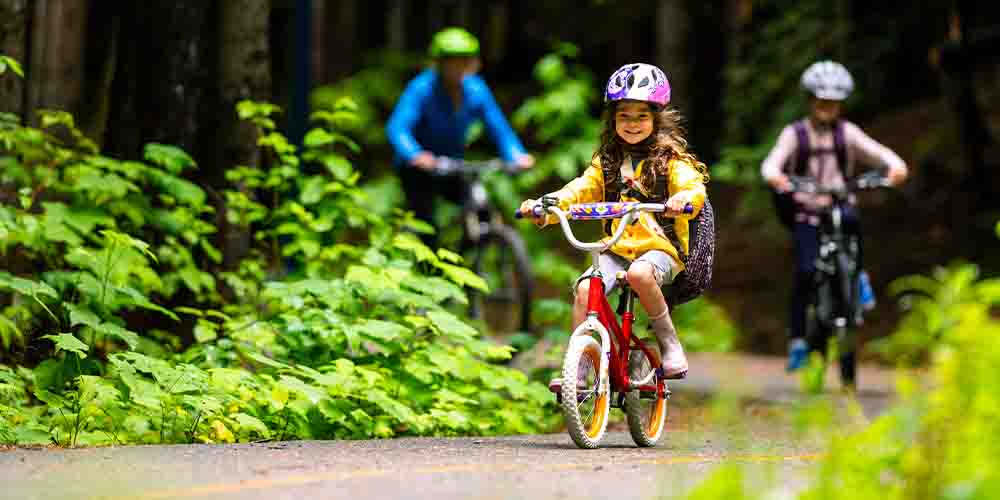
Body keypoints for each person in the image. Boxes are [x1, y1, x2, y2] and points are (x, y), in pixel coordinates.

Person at [519, 63, 708, 382]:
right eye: (624, 115)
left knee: (639, 273)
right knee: (585, 288)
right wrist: (545, 206)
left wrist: (684, 200)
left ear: (656, 118)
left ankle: (669, 342)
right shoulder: (605, 163)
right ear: (613, 119)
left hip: (659, 250)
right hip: (616, 247)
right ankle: (578, 368)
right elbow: (578, 190)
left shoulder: (670, 162)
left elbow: (693, 186)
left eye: (641, 116)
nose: (632, 124)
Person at [760, 60, 908, 372]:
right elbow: (772, 164)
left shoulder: (847, 133)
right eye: (822, 100)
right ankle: (799, 338)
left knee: (851, 222)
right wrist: (777, 178)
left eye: (834, 102)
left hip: (839, 205)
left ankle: (859, 275)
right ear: (810, 100)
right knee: (805, 270)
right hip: (807, 210)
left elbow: (880, 153)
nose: (827, 107)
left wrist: (895, 167)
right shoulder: (795, 134)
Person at [386, 27, 534, 243]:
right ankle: (429, 267)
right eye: (451, 61)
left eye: (464, 60)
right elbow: (398, 128)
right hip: (419, 168)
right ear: (439, 63)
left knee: (481, 210)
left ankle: (471, 259)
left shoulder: (476, 90)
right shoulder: (421, 89)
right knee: (427, 227)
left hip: (454, 165)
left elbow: (498, 127)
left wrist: (516, 155)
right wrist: (415, 154)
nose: (458, 67)